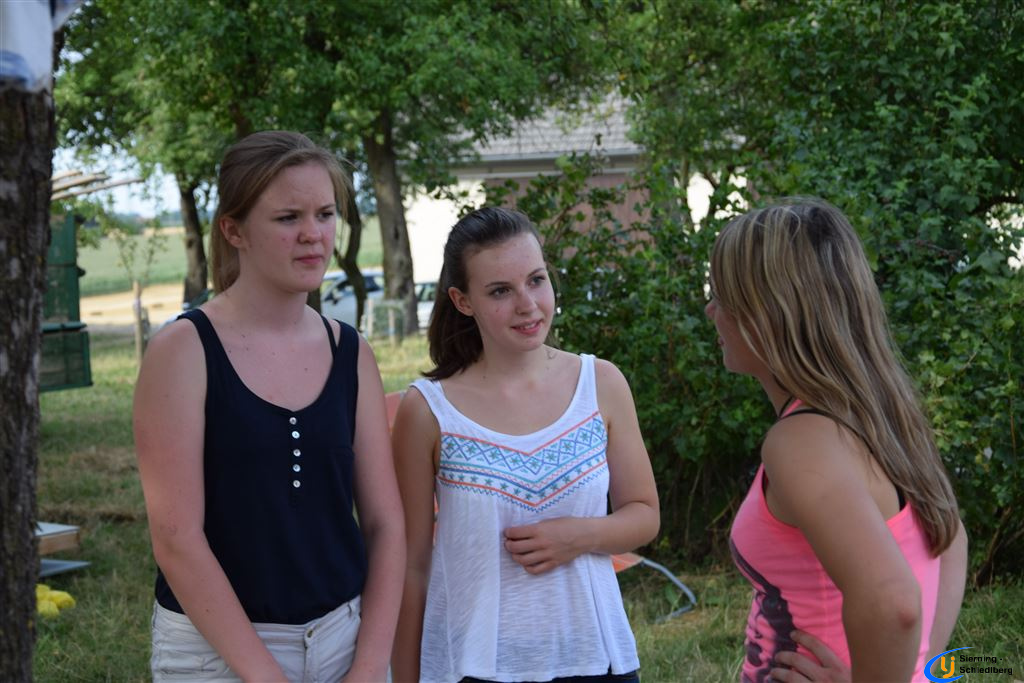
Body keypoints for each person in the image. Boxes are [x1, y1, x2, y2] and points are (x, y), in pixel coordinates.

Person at [133, 130, 405, 682]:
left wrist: (370, 663)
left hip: (343, 642)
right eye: (287, 218)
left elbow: (385, 524)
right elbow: (177, 540)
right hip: (216, 654)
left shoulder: (351, 352)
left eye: (325, 214)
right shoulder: (183, 352)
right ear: (233, 230)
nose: (313, 235)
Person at [390, 207, 660, 683]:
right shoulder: (428, 410)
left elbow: (644, 514)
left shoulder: (600, 383)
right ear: (462, 300)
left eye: (536, 280)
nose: (528, 304)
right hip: (473, 666)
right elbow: (411, 565)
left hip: (596, 659)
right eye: (500, 291)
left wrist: (576, 537)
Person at [705, 199, 968, 683]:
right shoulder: (879, 413)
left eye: (721, 296)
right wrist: (919, 666)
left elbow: (893, 601)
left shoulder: (800, 441)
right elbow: (951, 541)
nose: (710, 312)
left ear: (766, 313)